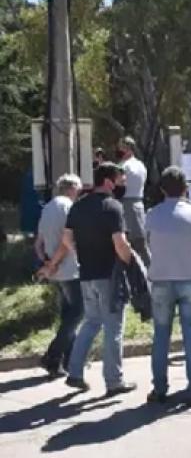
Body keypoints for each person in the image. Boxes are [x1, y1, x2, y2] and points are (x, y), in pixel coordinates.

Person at [42, 162, 136, 395]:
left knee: (91, 323)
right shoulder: (112, 207)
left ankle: (74, 372)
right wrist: (131, 264)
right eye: (119, 179)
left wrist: (82, 253)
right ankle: (114, 381)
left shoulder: (78, 207)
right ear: (108, 181)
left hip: (86, 274)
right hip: (109, 275)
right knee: (114, 328)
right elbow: (120, 244)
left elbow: (66, 240)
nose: (121, 184)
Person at [144, 166, 191, 405]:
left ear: (162, 189)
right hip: (190, 279)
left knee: (161, 335)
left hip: (161, 280)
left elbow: (147, 244)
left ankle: (159, 389)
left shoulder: (152, 215)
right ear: (186, 189)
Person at [35, 174, 83, 377]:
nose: (79, 194)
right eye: (79, 190)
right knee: (78, 313)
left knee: (67, 315)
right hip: (70, 268)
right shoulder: (68, 208)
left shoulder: (48, 207)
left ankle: (68, 362)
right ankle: (53, 356)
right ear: (72, 188)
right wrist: (54, 263)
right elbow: (67, 241)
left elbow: (38, 242)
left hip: (55, 271)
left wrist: (46, 264)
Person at [117, 136, 150, 266]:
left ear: (128, 149)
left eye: (122, 148)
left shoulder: (124, 166)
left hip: (127, 203)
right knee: (140, 241)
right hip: (138, 203)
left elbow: (119, 185)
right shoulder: (140, 165)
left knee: (135, 241)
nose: (119, 150)